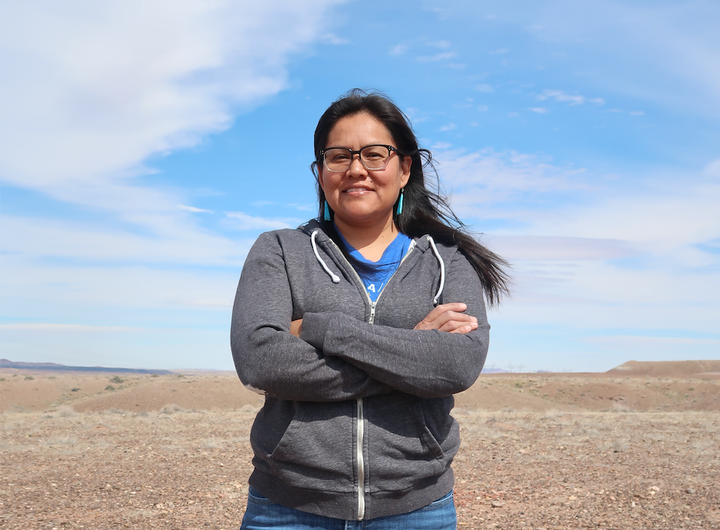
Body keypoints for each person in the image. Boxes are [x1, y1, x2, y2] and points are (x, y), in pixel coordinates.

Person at [231, 89, 509, 529]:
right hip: (287, 508)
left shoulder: (448, 262)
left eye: (374, 154)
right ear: (319, 172)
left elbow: (457, 367)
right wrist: (413, 357)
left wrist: (321, 329)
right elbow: (260, 360)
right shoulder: (280, 251)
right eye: (338, 156)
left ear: (404, 169)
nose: (356, 168)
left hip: (417, 509)